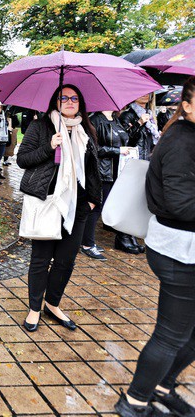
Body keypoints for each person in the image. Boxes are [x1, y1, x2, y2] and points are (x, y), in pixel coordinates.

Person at [115, 77, 195, 417]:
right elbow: (181, 203)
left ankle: (163, 385)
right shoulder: (181, 141)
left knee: (188, 332)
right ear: (187, 104)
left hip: (184, 247)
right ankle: (134, 401)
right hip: (180, 251)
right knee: (170, 335)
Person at [18, 85, 101, 333]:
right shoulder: (40, 126)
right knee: (41, 259)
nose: (69, 101)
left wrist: (93, 200)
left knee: (66, 261)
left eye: (74, 98)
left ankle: (52, 304)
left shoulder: (86, 130)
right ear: (56, 101)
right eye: (63, 97)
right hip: (48, 202)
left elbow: (94, 168)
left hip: (79, 207)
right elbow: (22, 159)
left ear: (80, 104)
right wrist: (49, 147)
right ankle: (34, 308)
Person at [84, 110, 132, 260]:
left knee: (101, 206)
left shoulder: (115, 119)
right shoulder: (95, 120)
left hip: (115, 172)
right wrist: (117, 151)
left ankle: (86, 240)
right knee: (96, 207)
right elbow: (92, 148)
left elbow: (124, 139)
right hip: (101, 172)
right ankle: (87, 244)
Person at [119, 93, 159, 161]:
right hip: (135, 159)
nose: (145, 94)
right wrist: (139, 123)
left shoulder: (151, 115)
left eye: (148, 92)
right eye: (141, 91)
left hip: (149, 158)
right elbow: (125, 141)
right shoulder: (127, 115)